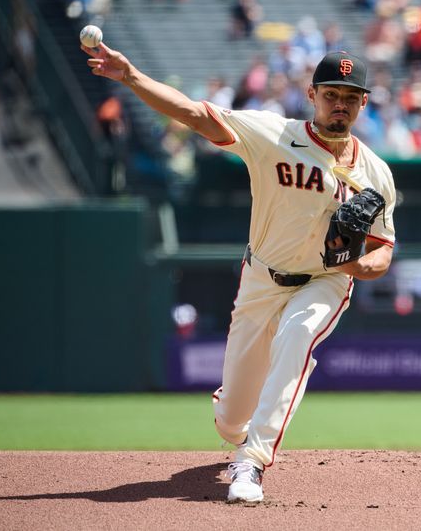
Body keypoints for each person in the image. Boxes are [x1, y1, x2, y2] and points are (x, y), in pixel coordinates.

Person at [82, 43, 397, 502]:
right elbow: (193, 114)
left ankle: (251, 463)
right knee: (231, 419)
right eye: (332, 94)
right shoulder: (272, 134)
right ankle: (241, 434)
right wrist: (131, 78)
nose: (341, 105)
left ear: (364, 102)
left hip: (324, 282)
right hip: (261, 278)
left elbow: (383, 253)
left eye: (351, 96)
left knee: (297, 336)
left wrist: (350, 264)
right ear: (312, 94)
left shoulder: (377, 173)